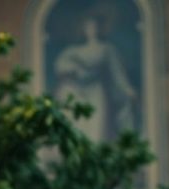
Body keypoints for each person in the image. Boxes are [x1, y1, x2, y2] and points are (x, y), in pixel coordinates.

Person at [54, 13, 137, 142]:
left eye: (94, 26)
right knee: (77, 125)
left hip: (96, 91)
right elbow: (60, 66)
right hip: (77, 93)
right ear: (84, 29)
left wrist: (127, 89)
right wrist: (75, 71)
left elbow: (117, 72)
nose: (91, 30)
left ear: (99, 28)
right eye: (88, 27)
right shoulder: (73, 50)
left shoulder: (106, 49)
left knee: (97, 126)